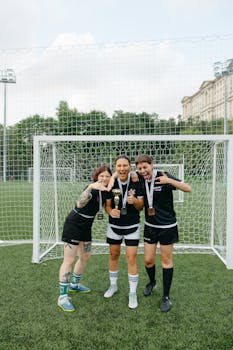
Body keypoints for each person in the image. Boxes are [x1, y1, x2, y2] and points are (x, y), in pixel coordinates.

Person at [135, 155, 192, 312]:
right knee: (148, 260)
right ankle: (152, 282)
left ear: (152, 165)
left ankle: (166, 297)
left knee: (166, 261)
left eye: (145, 167)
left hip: (167, 226)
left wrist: (169, 182)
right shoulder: (140, 179)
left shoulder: (163, 175)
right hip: (150, 226)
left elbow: (188, 188)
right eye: (139, 168)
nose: (143, 171)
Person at [57, 165, 112, 312]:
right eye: (101, 176)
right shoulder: (91, 188)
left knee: (86, 256)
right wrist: (89, 188)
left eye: (107, 176)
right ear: (96, 177)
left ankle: (74, 285)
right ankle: (62, 297)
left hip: (86, 226)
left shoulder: (107, 191)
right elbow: (79, 204)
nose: (104, 178)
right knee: (69, 260)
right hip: (74, 224)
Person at [104, 155, 144, 309]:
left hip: (132, 226)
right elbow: (107, 206)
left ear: (130, 167)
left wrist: (135, 201)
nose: (122, 169)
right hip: (114, 226)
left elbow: (141, 207)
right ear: (115, 167)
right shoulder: (111, 182)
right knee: (114, 255)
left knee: (131, 258)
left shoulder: (137, 181)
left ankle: (132, 293)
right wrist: (110, 212)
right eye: (119, 166)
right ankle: (113, 286)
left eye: (125, 165)